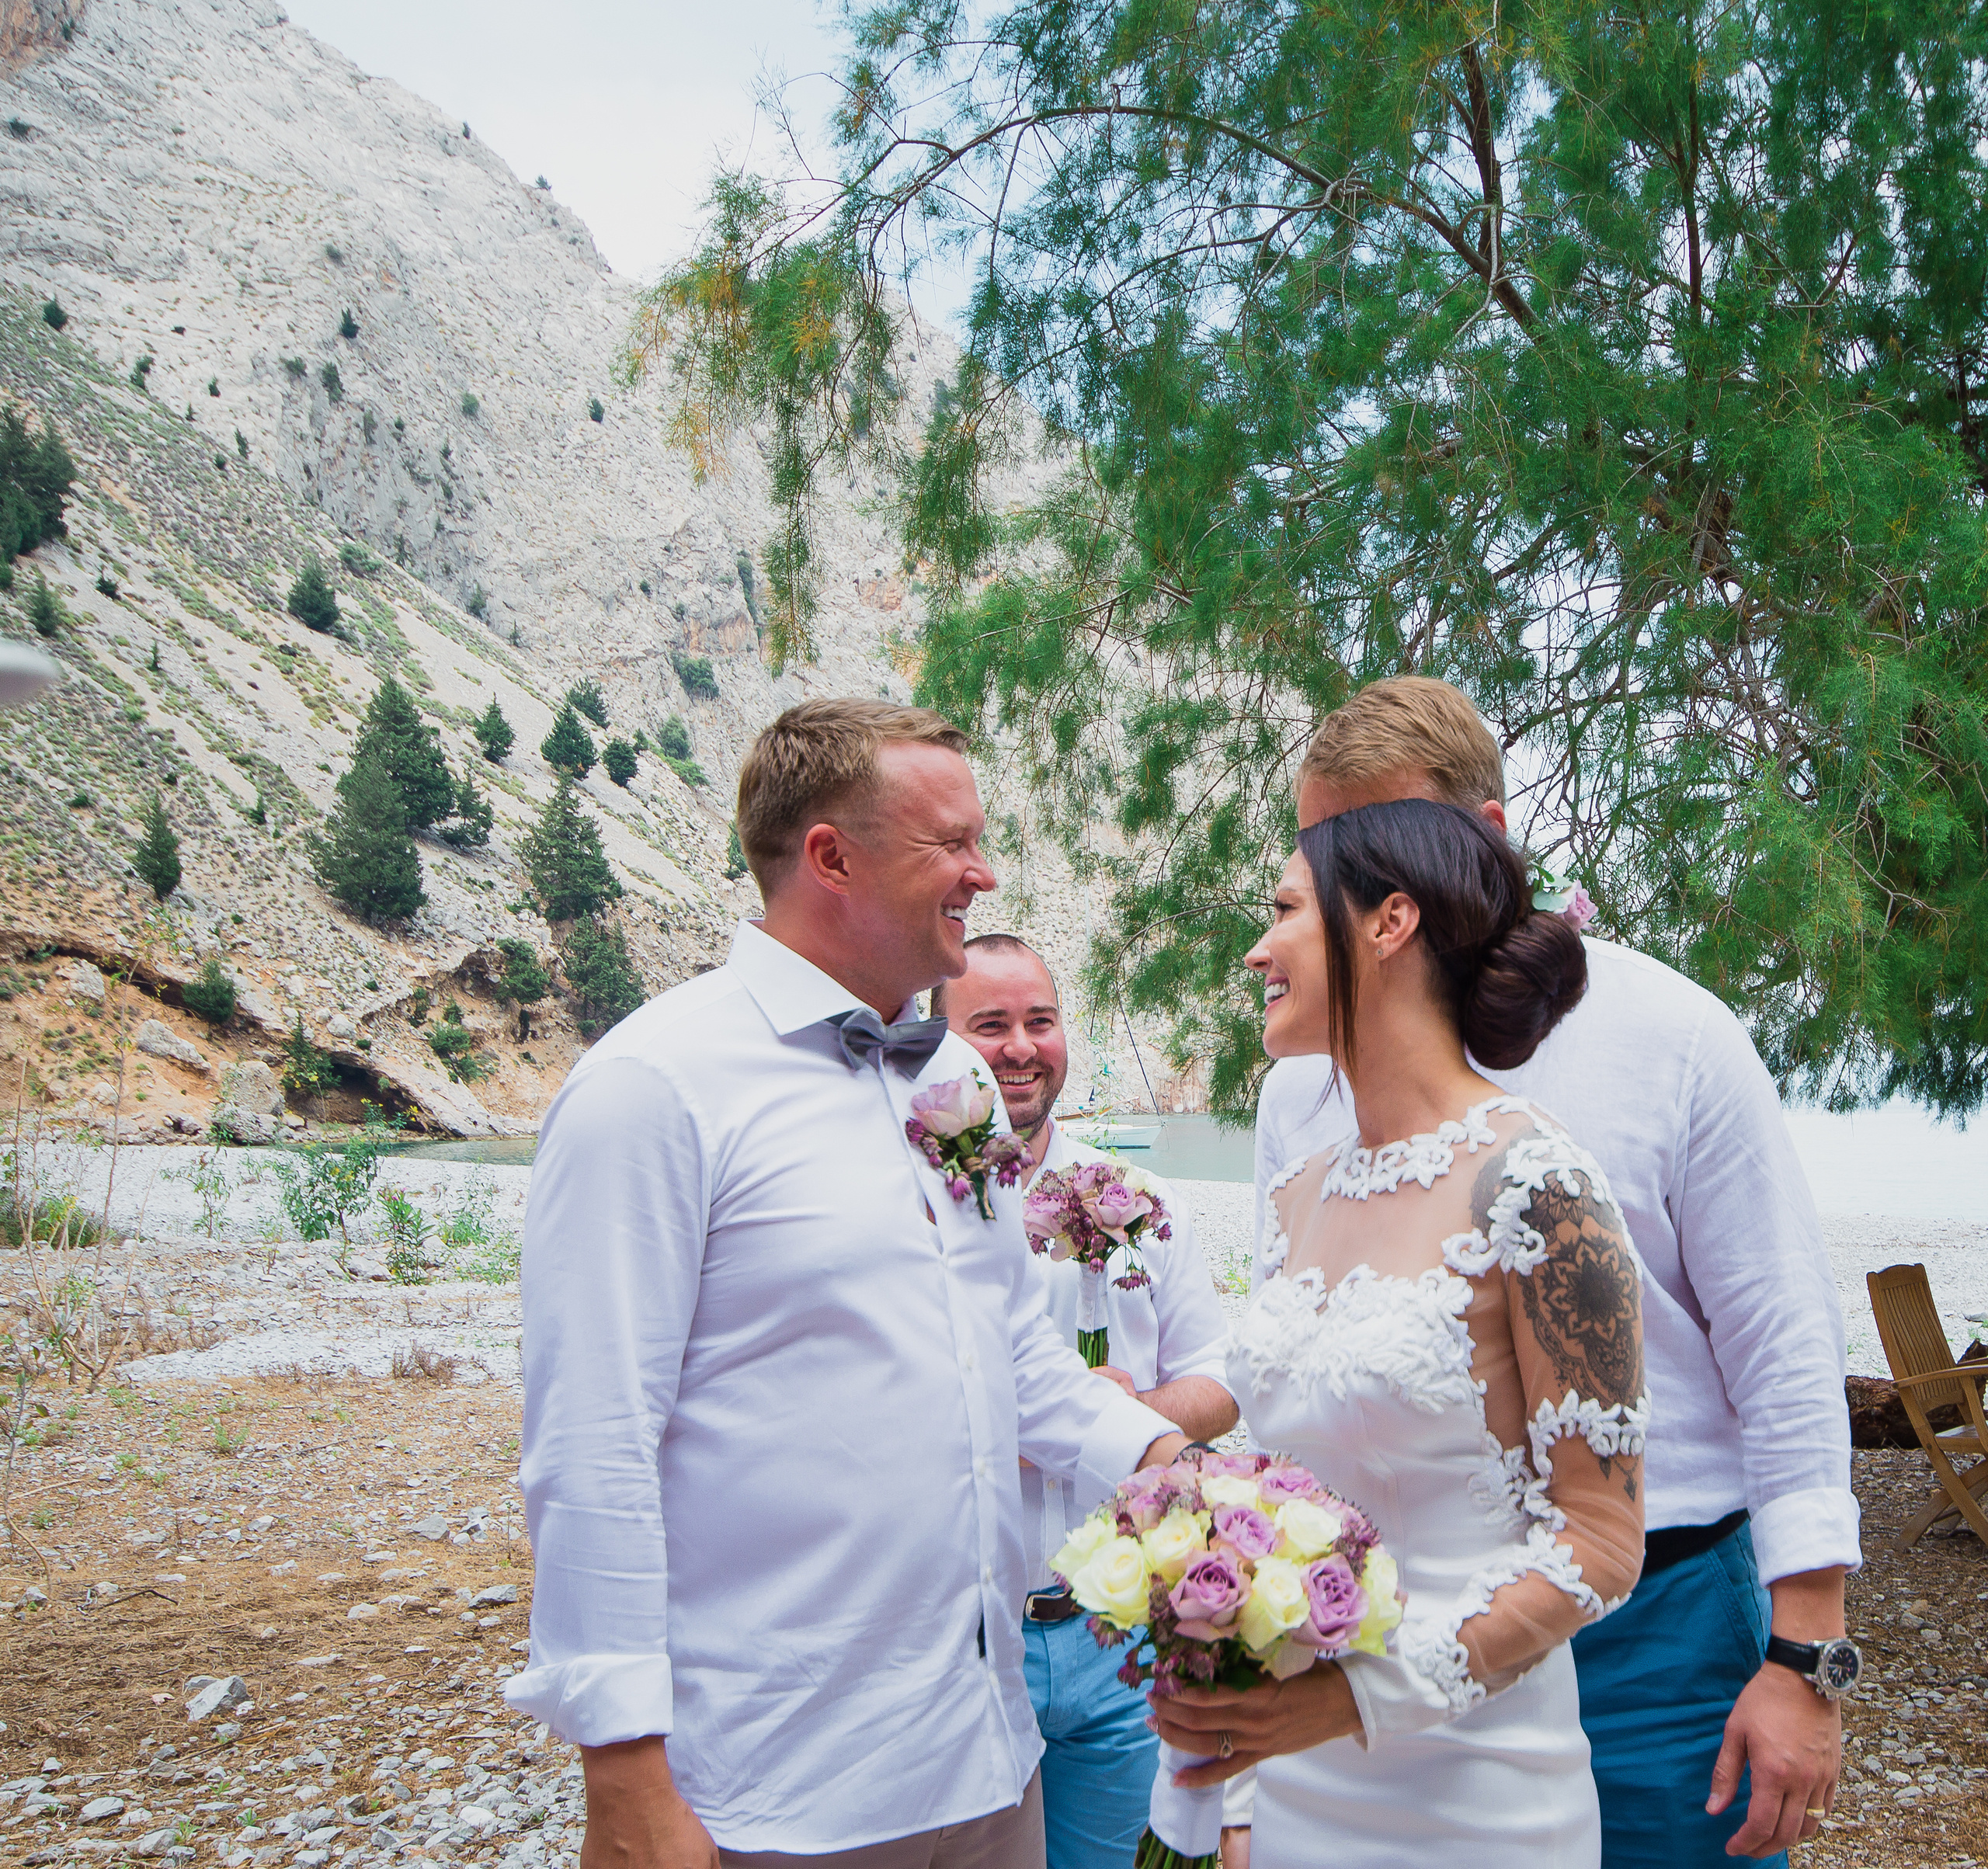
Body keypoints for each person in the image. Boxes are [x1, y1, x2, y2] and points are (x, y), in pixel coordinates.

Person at [506, 698, 1188, 1869]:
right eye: (951, 842)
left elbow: (1012, 1352)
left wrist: (1170, 1465)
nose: (982, 871)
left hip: (986, 1753)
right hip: (778, 1782)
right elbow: (593, 1439)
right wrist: (622, 1763)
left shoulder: (958, 1081)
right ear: (832, 856)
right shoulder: (653, 1086)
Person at [1244, 677, 1860, 1867]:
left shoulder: (1673, 1035)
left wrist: (1805, 1658)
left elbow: (1784, 1345)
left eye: (1364, 850)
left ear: (1478, 842)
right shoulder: (1297, 1095)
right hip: (1366, 1633)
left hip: (1657, 1631)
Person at [1153, 796, 1647, 1865]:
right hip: (1293, 1787)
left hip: (1480, 1795)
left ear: (1389, 922)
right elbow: (1282, 1488)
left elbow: (1604, 1540)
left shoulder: (1539, 1182)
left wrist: (1351, 1699)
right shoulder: (1298, 1194)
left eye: (1283, 908)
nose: (1256, 948)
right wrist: (1239, 1778)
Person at [937, 934, 1239, 1869]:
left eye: (1041, 1021)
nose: (1021, 1047)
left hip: (1117, 1637)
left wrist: (1131, 1409)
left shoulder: (1144, 1197)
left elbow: (1224, 1381)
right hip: (969, 1636)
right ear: (942, 1043)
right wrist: (1012, 1421)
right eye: (990, 1025)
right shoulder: (916, 1204)